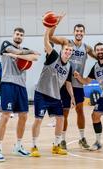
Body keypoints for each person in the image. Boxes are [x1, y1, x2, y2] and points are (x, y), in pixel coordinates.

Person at [49, 13, 96, 150]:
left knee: (80, 110)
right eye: (77, 31)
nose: (79, 33)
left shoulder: (86, 48)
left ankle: (82, 138)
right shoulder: (66, 43)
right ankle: (62, 139)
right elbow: (51, 37)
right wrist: (55, 23)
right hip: (64, 84)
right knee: (65, 111)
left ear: (84, 33)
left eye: (81, 31)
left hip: (78, 84)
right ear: (74, 32)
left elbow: (100, 58)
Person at [0, 27, 40, 162]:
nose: (19, 36)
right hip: (8, 83)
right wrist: (24, 53)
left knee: (24, 116)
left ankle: (18, 146)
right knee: (6, 116)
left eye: (21, 35)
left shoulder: (23, 49)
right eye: (17, 34)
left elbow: (34, 58)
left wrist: (17, 56)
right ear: (13, 35)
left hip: (21, 85)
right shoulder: (6, 45)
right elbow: (21, 52)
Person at [29, 26, 75, 157]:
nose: (68, 52)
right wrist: (49, 29)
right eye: (66, 49)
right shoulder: (53, 56)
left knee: (60, 119)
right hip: (42, 94)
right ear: (62, 50)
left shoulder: (69, 66)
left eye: (70, 50)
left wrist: (72, 97)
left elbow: (68, 83)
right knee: (38, 120)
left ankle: (56, 145)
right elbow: (46, 42)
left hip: (55, 96)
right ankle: (34, 146)